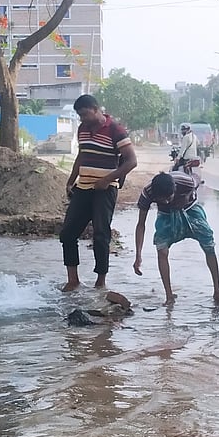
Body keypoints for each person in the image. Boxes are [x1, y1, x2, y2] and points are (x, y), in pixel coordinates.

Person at [59, 94, 138, 292]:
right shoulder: (82, 129)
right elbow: (82, 155)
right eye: (80, 116)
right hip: (83, 187)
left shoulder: (116, 130)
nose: (82, 119)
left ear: (96, 110)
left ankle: (100, 281)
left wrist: (107, 179)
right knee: (68, 234)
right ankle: (73, 279)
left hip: (105, 190)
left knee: (101, 234)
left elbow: (131, 161)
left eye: (85, 114)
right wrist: (71, 180)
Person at [131, 171, 219, 305]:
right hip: (166, 216)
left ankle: (218, 291)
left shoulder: (186, 181)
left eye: (169, 197)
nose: (166, 201)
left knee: (209, 246)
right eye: (162, 200)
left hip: (191, 210)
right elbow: (141, 224)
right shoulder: (147, 193)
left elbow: (197, 179)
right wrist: (138, 255)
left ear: (175, 189)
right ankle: (169, 296)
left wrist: (187, 196)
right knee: (162, 250)